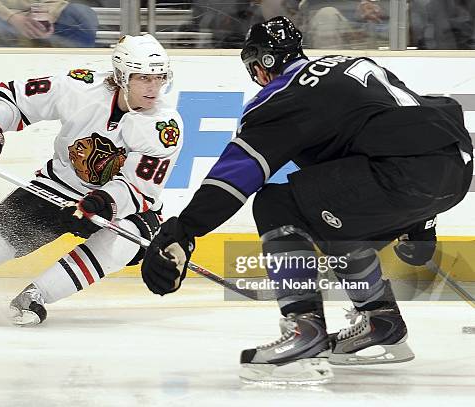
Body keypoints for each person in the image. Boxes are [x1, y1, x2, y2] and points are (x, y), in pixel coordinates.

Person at [140, 16, 473, 383]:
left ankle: (304, 328)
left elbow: (238, 174)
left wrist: (185, 230)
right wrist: (422, 225)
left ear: (264, 63)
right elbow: (407, 124)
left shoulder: (283, 95)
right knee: (330, 207)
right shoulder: (352, 65)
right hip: (455, 167)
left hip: (398, 173)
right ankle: (381, 323)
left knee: (277, 203)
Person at [0, 34, 183, 326]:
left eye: (159, 78)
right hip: (58, 187)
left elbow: (139, 188)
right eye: (144, 77)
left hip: (124, 205)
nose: (154, 87)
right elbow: (13, 97)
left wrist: (103, 202)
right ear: (120, 75)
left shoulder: (164, 126)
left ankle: (37, 295)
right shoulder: (79, 87)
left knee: (123, 241)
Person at [0, 0, 98, 47]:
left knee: (82, 14)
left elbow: (56, 2)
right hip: (1, 16)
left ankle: (79, 71)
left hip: (38, 15)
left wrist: (46, 17)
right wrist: (11, 17)